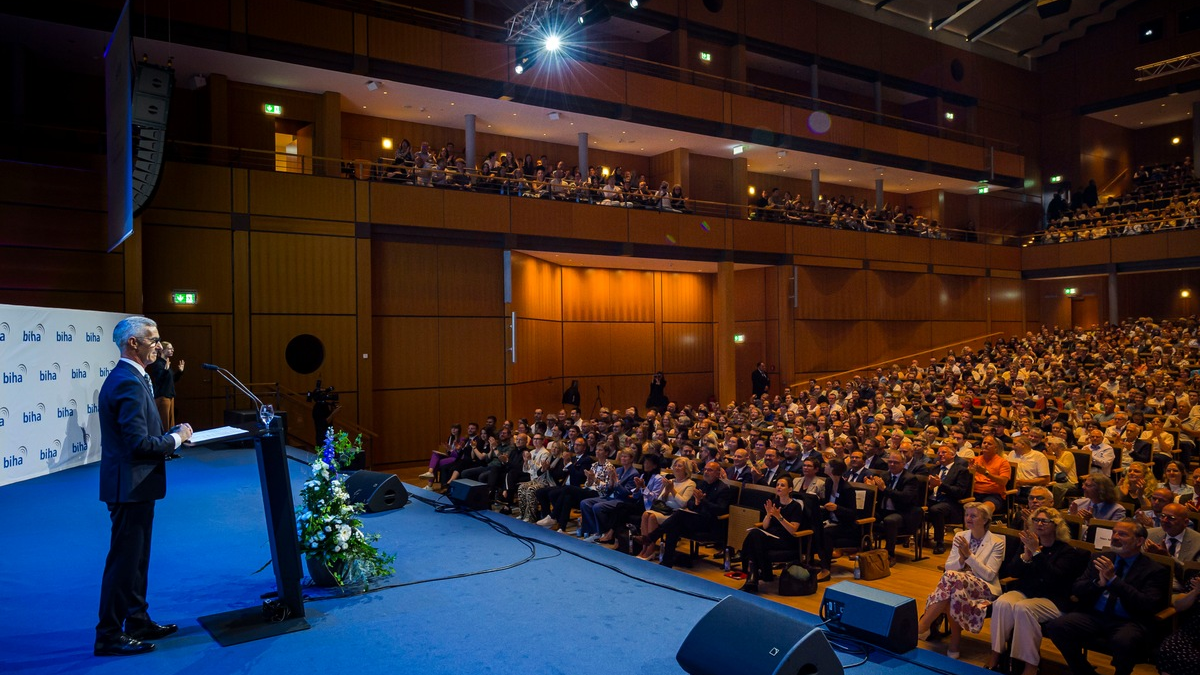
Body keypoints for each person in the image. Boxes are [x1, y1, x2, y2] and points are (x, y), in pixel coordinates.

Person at [95, 316, 193, 657]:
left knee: (136, 560)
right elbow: (138, 443)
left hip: (138, 485)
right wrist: (174, 438)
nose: (158, 343)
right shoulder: (126, 381)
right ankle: (108, 634)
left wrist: (170, 438)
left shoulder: (135, 378)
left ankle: (136, 619)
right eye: (152, 338)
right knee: (124, 562)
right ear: (132, 343)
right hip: (129, 486)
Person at [1045, 519, 1170, 675]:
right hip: (1094, 615)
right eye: (1114, 532)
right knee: (1056, 626)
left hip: (1128, 620)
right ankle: (1083, 671)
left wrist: (1114, 581)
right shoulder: (1100, 558)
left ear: (1139, 541)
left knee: (1124, 641)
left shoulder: (1155, 570)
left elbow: (1146, 604)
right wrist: (1098, 583)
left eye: (1122, 534)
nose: (1115, 537)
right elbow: (1077, 588)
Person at [985, 507, 1089, 675]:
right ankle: (996, 654)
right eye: (1036, 520)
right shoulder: (1027, 545)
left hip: (1054, 599)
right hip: (1027, 593)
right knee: (1002, 603)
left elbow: (1054, 579)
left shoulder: (1067, 551)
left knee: (1024, 608)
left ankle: (1030, 665)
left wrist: (1037, 553)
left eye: (1044, 521)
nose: (1039, 524)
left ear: (1056, 525)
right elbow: (1013, 572)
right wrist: (1025, 557)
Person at [915, 502, 1004, 659]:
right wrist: (961, 561)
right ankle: (955, 641)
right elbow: (949, 566)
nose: (968, 518)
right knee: (953, 587)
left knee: (951, 578)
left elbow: (989, 575)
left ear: (984, 520)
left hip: (984, 587)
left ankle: (922, 626)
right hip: (957, 586)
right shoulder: (960, 536)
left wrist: (969, 556)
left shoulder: (997, 542)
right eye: (966, 515)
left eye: (973, 516)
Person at [646, 461, 733, 568]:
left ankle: (652, 537)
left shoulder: (723, 489)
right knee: (674, 526)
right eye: (705, 469)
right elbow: (690, 503)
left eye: (710, 470)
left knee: (679, 515)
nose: (706, 472)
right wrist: (696, 503)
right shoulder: (702, 484)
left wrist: (702, 500)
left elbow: (720, 510)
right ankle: (666, 562)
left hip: (711, 522)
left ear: (718, 473)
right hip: (696, 518)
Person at [739, 477, 808, 594]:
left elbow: (793, 530)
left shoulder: (796, 506)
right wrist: (768, 515)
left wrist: (779, 516)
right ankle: (756, 576)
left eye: (782, 485)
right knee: (754, 535)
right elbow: (765, 526)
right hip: (770, 536)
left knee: (754, 535)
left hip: (785, 540)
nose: (779, 487)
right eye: (777, 485)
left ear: (790, 489)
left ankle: (754, 575)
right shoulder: (774, 502)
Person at [636, 457, 695, 560]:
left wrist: (672, 490)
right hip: (663, 509)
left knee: (652, 516)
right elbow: (660, 500)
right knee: (646, 514)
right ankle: (644, 547)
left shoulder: (690, 484)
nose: (676, 468)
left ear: (686, 469)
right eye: (675, 465)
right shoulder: (671, 481)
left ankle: (651, 549)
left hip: (675, 514)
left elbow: (683, 503)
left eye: (680, 466)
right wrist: (667, 491)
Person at [926, 443, 974, 554]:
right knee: (916, 506)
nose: (940, 455)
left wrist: (941, 484)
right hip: (932, 499)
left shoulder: (961, 470)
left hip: (951, 503)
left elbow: (959, 492)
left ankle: (939, 542)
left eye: (944, 452)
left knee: (936, 510)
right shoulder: (934, 469)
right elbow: (926, 490)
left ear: (952, 455)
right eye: (939, 453)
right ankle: (910, 537)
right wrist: (930, 487)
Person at [1157, 573, 1200, 675]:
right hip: (1191, 632)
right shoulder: (1197, 580)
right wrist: (1195, 592)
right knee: (1168, 650)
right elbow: (1178, 606)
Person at [145, 340, 183, 433]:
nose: (172, 350)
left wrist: (180, 372)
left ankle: (171, 443)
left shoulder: (166, 363)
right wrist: (165, 370)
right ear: (162, 350)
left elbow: (171, 380)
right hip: (162, 397)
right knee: (164, 424)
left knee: (171, 424)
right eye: (169, 349)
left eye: (172, 349)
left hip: (170, 396)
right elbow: (158, 380)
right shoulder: (158, 364)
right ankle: (164, 443)